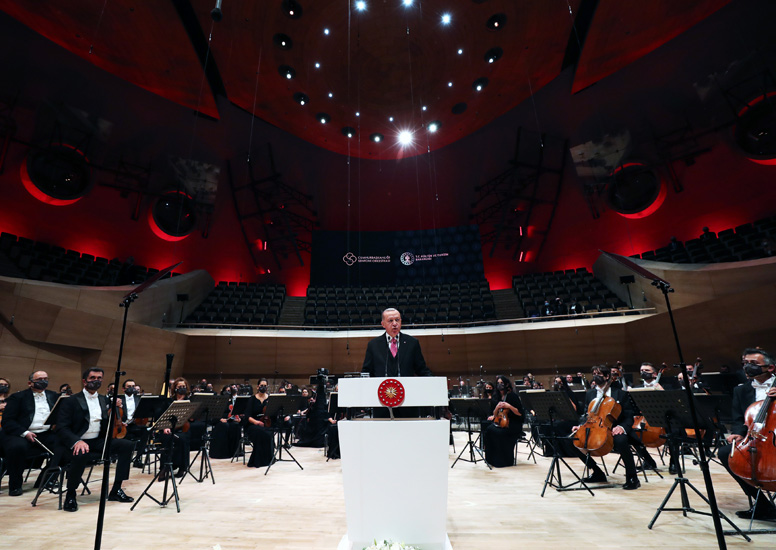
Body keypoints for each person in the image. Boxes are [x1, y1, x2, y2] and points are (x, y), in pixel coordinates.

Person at [56, 368, 135, 512]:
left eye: (99, 378)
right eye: (92, 378)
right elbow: (62, 427)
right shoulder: (71, 401)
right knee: (81, 453)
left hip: (97, 441)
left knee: (127, 445)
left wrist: (117, 413)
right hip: (77, 442)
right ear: (84, 381)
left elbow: (109, 422)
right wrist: (76, 441)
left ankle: (116, 490)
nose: (96, 380)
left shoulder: (104, 400)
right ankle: (71, 494)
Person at [718, 348, 776, 520]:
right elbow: (738, 418)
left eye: (753, 364)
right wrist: (737, 434)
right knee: (726, 453)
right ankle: (763, 506)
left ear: (770, 367)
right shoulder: (741, 390)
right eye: (745, 363)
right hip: (754, 437)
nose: (747, 367)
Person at [571, 365, 641, 490]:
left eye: (598, 374)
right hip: (595, 427)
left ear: (607, 376)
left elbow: (629, 416)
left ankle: (632, 477)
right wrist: (580, 425)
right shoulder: (591, 393)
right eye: (594, 374)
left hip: (616, 428)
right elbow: (586, 414)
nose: (595, 376)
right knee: (576, 441)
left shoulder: (620, 394)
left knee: (621, 440)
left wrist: (621, 427)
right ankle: (597, 473)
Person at [0, 371, 60, 496]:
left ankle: (46, 479)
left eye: (45, 378)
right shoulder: (17, 397)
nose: (43, 381)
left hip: (45, 433)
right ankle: (15, 485)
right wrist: (25, 432)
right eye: (39, 379)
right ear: (29, 383)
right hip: (20, 433)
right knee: (17, 447)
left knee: (63, 446)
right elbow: (7, 421)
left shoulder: (53, 396)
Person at [361, 308, 432, 378]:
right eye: (390, 320)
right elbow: (366, 372)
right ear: (383, 324)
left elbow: (422, 369)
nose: (394, 324)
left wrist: (434, 381)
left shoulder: (412, 343)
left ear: (401, 321)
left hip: (406, 387)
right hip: (381, 388)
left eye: (397, 320)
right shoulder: (373, 345)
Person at [482, 375, 524, 468]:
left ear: (507, 384)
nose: (500, 385)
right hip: (501, 422)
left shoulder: (513, 396)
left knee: (499, 433)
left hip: (513, 423)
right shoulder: (496, 397)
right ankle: (491, 459)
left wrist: (509, 406)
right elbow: (494, 414)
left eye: (502, 383)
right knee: (489, 430)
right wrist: (497, 407)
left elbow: (520, 413)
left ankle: (503, 461)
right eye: (498, 383)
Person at [243, 378, 274, 468]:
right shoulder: (252, 399)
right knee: (261, 432)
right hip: (252, 424)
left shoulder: (270, 399)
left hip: (266, 423)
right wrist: (256, 422)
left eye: (265, 386)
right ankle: (258, 460)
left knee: (267, 432)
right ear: (257, 387)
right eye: (261, 385)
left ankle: (268, 459)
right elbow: (247, 415)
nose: (263, 387)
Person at [117, 379, 148, 466]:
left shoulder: (139, 399)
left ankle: (137, 458)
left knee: (146, 431)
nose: (132, 388)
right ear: (123, 389)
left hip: (135, 425)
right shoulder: (119, 399)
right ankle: (123, 459)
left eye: (133, 386)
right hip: (123, 425)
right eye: (129, 387)